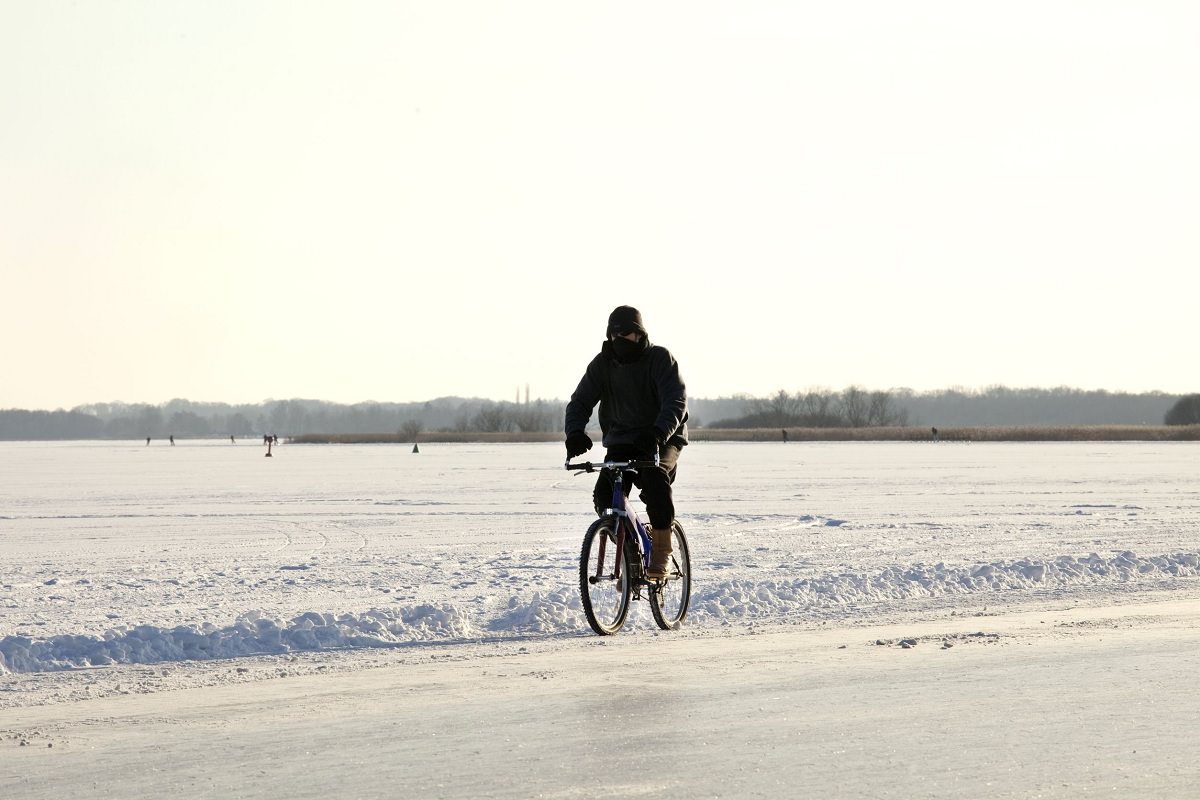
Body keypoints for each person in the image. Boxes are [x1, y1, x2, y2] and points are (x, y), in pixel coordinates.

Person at [564, 305, 688, 579]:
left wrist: (658, 433)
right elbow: (580, 401)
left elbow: (675, 401)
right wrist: (574, 432)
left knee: (655, 480)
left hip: (662, 437)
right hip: (622, 439)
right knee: (604, 497)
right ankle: (629, 551)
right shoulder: (602, 365)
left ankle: (661, 552)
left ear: (639, 333)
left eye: (627, 333)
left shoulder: (659, 359)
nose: (620, 339)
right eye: (615, 334)